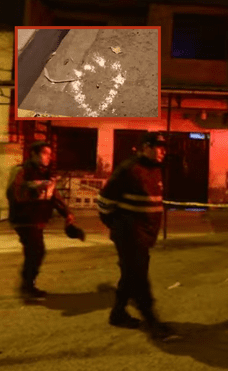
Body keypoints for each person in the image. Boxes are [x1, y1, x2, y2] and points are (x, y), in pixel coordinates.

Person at [97, 132, 175, 340]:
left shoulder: (156, 170)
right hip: (130, 234)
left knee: (130, 275)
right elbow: (104, 201)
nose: (163, 151)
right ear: (145, 147)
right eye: (158, 146)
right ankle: (152, 321)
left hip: (145, 234)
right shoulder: (129, 170)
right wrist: (116, 226)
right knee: (139, 278)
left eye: (163, 147)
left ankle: (118, 313)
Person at [6, 140, 75, 299]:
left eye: (50, 154)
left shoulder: (45, 173)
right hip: (24, 219)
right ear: (34, 154)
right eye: (45, 153)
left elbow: (54, 196)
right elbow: (14, 193)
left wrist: (67, 213)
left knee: (34, 252)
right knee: (36, 251)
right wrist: (35, 188)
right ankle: (27, 286)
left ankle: (28, 284)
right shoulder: (21, 171)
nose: (48, 157)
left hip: (37, 219)